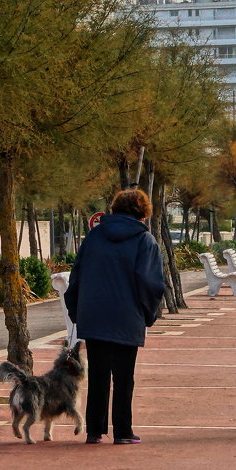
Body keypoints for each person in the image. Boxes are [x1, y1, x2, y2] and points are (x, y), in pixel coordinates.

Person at [64, 188, 166, 445]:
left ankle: (94, 431)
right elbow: (150, 283)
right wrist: (148, 313)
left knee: (98, 374)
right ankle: (123, 431)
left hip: (94, 314)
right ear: (143, 211)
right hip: (127, 316)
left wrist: (76, 310)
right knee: (123, 377)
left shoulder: (94, 237)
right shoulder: (145, 241)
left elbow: (76, 276)